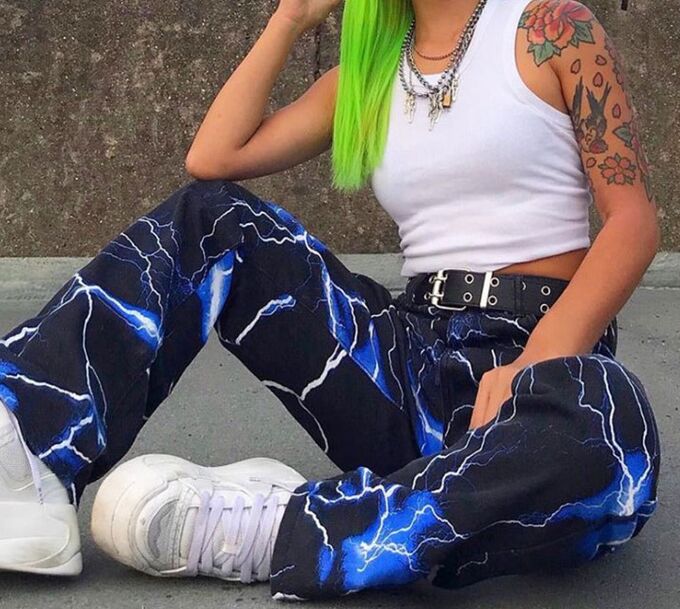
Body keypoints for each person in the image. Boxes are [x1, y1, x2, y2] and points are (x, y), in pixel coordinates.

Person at [0, 0, 662, 602]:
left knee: (612, 422)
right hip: (407, 362)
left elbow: (631, 222)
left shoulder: (552, 29)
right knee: (212, 218)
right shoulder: (365, 79)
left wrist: (537, 360)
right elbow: (214, 157)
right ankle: (26, 454)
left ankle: (282, 526)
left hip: (539, 361)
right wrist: (291, 18)